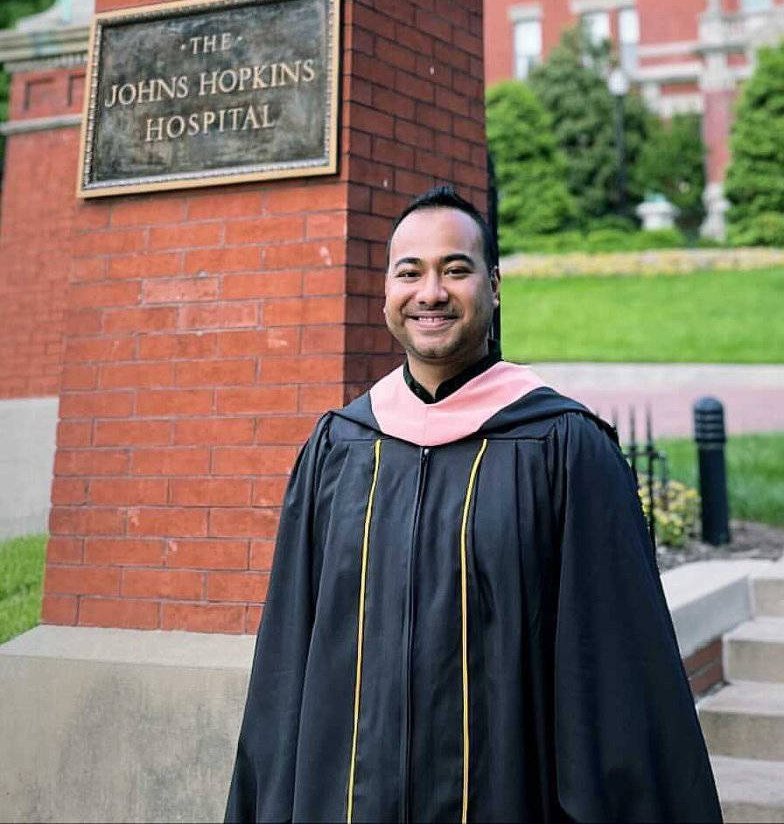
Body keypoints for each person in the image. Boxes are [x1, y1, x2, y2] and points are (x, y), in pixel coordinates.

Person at [226, 183, 722, 824]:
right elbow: (287, 662)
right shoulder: (338, 450)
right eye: (411, 272)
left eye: (455, 270)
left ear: (493, 285)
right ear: (387, 291)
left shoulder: (564, 449)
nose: (431, 292)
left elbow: (616, 681)